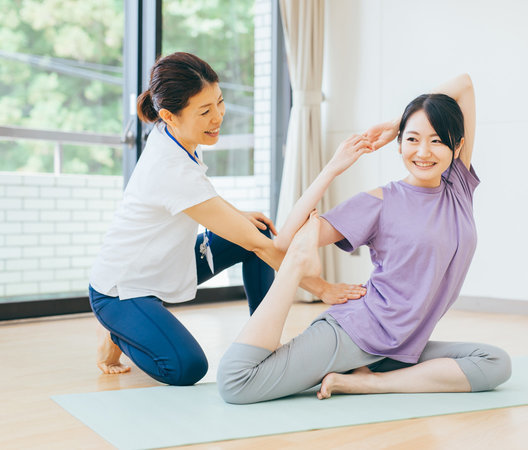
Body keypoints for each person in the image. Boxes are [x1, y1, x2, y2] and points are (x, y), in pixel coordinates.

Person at [217, 74, 512, 404]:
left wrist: (395, 122)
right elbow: (284, 240)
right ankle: (304, 279)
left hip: (403, 346)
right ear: (399, 145)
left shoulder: (458, 186)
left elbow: (464, 85)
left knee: (495, 363)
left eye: (437, 141)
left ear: (456, 146)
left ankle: (366, 383)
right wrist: (331, 168)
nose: (423, 152)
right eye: (412, 139)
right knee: (237, 383)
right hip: (357, 332)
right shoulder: (381, 202)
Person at [88, 52, 366, 386]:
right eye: (204, 111)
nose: (217, 116)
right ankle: (120, 332)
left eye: (219, 102)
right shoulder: (169, 166)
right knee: (186, 368)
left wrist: (237, 215)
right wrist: (323, 289)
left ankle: (260, 343)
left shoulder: (179, 134)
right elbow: (256, 245)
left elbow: (201, 198)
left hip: (164, 263)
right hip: (122, 289)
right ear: (169, 116)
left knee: (255, 226)